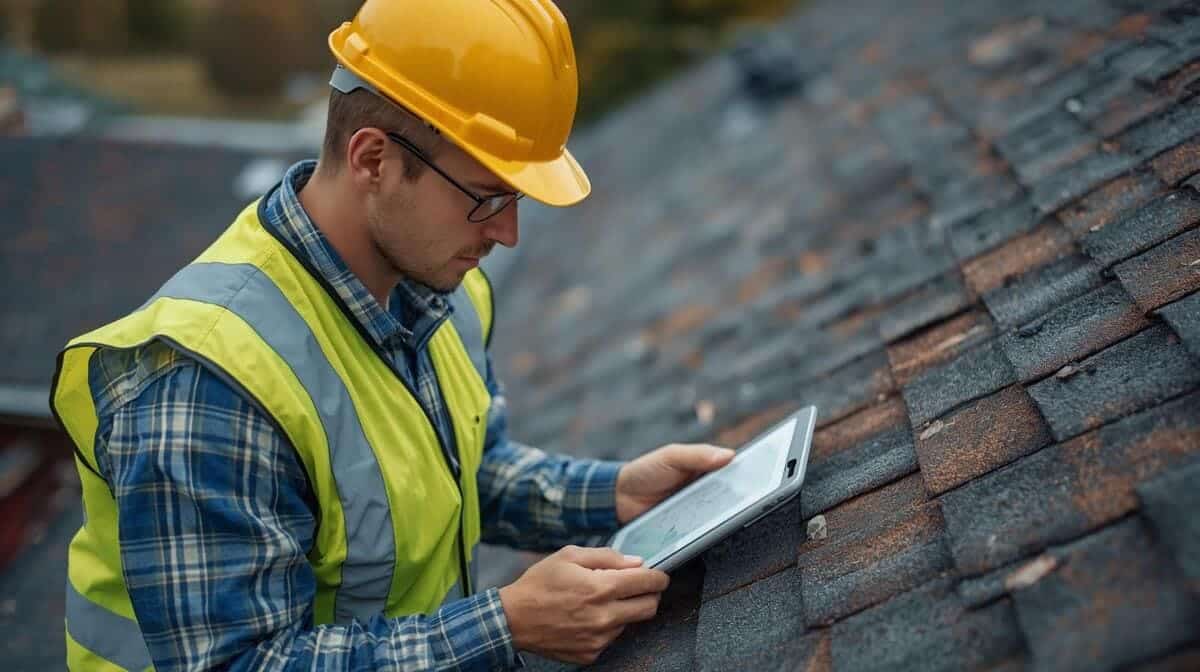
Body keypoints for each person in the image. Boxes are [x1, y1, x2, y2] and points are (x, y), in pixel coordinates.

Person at [50, 1, 735, 669]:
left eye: (515, 199)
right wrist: (503, 624)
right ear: (373, 159)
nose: (507, 233)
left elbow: (454, 475)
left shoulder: (442, 288)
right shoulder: (207, 383)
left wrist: (615, 494)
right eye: (485, 198)